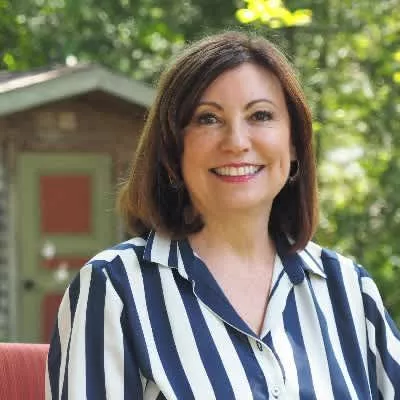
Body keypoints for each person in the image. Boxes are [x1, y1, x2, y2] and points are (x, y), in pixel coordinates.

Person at [46, 31, 400, 399]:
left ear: (294, 144)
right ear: (173, 150)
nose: (237, 142)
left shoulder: (349, 290)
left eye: (260, 115)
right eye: (208, 119)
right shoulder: (115, 288)